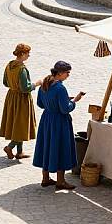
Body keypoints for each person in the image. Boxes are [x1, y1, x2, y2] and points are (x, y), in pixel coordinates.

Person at [33, 61, 84, 190]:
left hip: (47, 119)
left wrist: (53, 104)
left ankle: (45, 178)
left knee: (47, 146)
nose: (68, 75)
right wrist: (74, 101)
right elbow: (65, 109)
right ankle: (60, 181)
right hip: (59, 122)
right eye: (67, 73)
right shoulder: (60, 88)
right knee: (60, 147)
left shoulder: (44, 85)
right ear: (60, 73)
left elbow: (40, 104)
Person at [0, 43, 41, 159]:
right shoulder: (22, 69)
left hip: (11, 97)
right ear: (22, 54)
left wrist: (13, 86)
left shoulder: (9, 65)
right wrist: (36, 84)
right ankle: (10, 146)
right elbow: (25, 88)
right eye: (28, 54)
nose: (29, 56)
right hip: (21, 99)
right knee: (22, 124)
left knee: (17, 124)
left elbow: (5, 82)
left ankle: (20, 152)